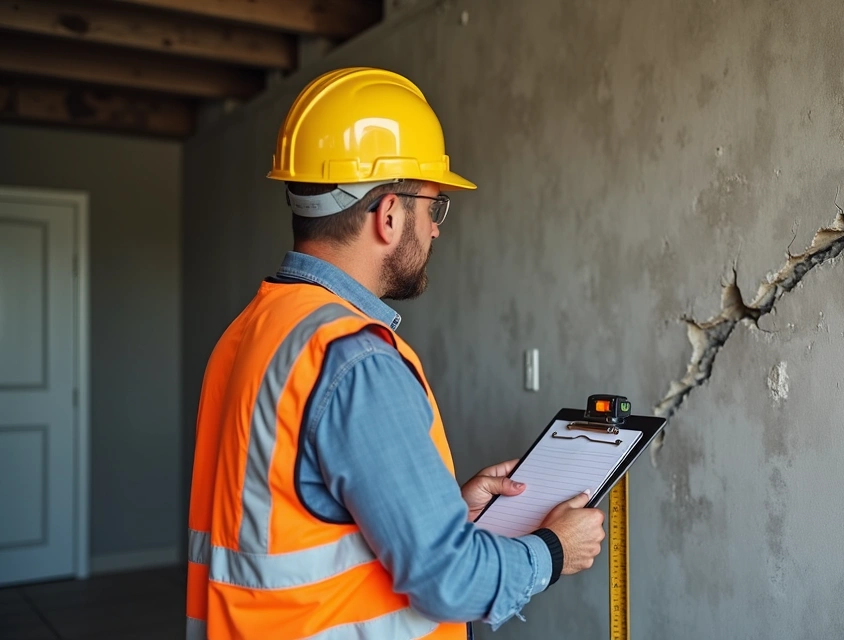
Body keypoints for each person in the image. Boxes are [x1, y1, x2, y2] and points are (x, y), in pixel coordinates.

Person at [185, 67, 605, 640]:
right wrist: (554, 550)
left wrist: (449, 513)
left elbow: (304, 519)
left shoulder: (252, 331)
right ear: (388, 214)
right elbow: (448, 581)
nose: (435, 230)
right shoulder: (356, 360)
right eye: (435, 208)